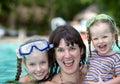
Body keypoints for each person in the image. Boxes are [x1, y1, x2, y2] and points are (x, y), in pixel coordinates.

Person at [83, 14, 120, 84]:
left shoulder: (116, 58)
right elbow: (89, 71)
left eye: (104, 37)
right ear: (91, 40)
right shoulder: (92, 54)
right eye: (95, 38)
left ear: (113, 37)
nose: (100, 41)